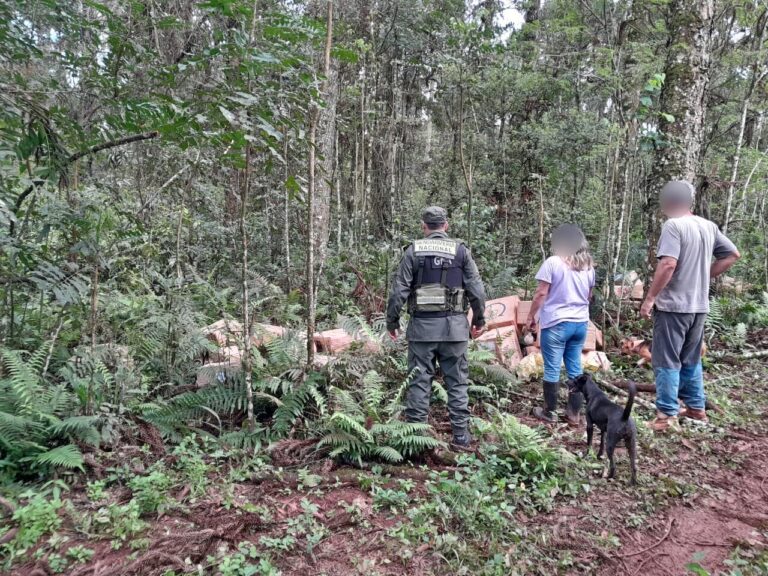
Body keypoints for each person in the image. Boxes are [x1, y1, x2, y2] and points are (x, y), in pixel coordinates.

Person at [640, 180, 740, 432]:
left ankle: (666, 416)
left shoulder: (674, 226)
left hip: (674, 306)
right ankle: (696, 409)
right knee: (691, 359)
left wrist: (650, 298)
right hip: (699, 307)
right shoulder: (708, 226)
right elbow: (732, 255)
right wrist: (702, 276)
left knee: (666, 360)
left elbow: (667, 265)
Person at [386, 206, 486, 449]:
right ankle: (461, 437)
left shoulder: (413, 251)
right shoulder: (460, 251)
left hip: (422, 330)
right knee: (457, 382)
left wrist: (392, 321)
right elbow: (476, 289)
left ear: (424, 226)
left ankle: (416, 439)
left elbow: (399, 290)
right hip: (455, 330)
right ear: (446, 225)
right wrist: (479, 320)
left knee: (420, 381)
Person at [526, 224, 596, 425]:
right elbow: (589, 296)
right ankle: (574, 414)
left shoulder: (553, 263)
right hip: (580, 323)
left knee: (552, 368)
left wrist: (531, 317)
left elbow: (541, 293)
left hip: (556, 322)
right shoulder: (588, 266)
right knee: (575, 367)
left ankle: (550, 412)